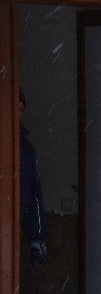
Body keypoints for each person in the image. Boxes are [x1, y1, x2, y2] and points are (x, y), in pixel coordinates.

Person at [19, 88, 46, 272]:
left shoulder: (26, 147)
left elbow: (33, 193)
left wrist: (37, 239)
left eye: (21, 108)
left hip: (14, 228)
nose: (17, 112)